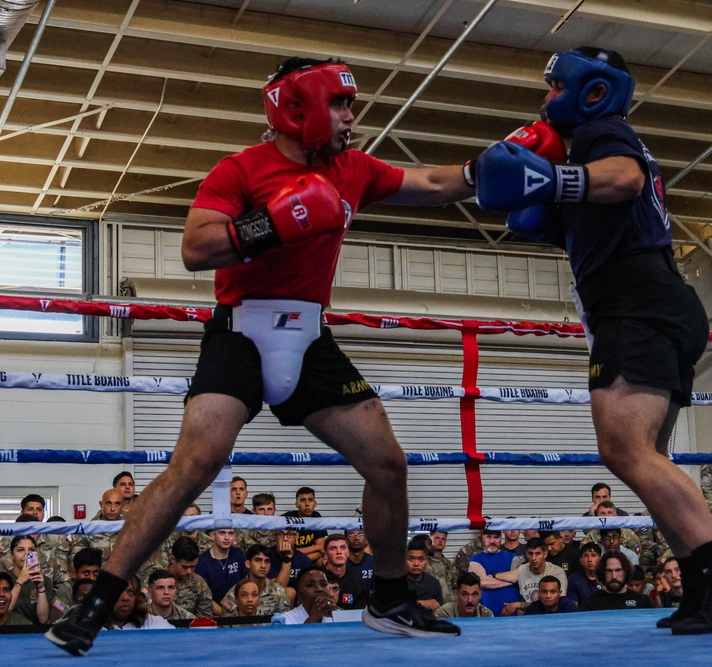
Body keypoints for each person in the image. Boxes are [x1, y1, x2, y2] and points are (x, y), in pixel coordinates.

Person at [47, 54, 473, 654]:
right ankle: (93, 605)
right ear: (299, 107)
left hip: (311, 337)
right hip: (239, 334)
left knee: (388, 465)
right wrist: (273, 222)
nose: (352, 116)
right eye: (341, 103)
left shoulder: (352, 169)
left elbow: (431, 183)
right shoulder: (241, 168)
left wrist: (496, 169)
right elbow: (196, 247)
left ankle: (390, 598)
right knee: (194, 465)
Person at [473, 46, 712, 634]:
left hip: (636, 307)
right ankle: (702, 588)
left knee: (624, 453)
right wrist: (536, 200)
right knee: (646, 459)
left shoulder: (602, 134)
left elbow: (625, 179)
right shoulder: (589, 154)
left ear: (591, 92)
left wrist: (550, 175)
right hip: (654, 304)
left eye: (555, 88)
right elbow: (562, 215)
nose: (544, 99)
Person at [493, 537, 567, 615]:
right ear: (526, 554)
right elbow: (504, 576)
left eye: (537, 554)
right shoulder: (522, 569)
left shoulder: (557, 572)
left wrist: (520, 605)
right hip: (527, 616)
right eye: (530, 554)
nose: (534, 558)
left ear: (545, 554)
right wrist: (493, 575)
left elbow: (556, 602)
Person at [467, 529, 521, 617]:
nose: (492, 541)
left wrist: (493, 576)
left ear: (501, 538)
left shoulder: (513, 557)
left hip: (511, 613)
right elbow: (482, 582)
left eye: (496, 537)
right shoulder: (476, 559)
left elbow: (517, 577)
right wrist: (510, 581)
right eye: (489, 537)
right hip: (485, 615)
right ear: (483, 538)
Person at [195, 528, 248, 613]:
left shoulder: (239, 555)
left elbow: (247, 583)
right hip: (214, 614)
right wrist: (224, 614)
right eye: (222, 533)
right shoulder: (202, 562)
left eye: (231, 533)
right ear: (213, 535)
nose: (227, 538)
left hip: (240, 611)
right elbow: (203, 598)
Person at [579, 550, 654, 611]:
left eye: (618, 570)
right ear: (602, 573)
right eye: (609, 571)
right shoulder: (590, 604)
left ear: (626, 572)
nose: (614, 576)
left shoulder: (644, 602)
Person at [271, 566, 337, 625]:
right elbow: (297, 639)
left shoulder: (337, 615)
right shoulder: (286, 619)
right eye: (311, 585)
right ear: (299, 593)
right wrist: (314, 617)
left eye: (323, 584)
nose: (319, 589)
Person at [104, 576, 174, 630]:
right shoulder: (95, 628)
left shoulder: (151, 624)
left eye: (131, 592)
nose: (126, 598)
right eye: (118, 592)